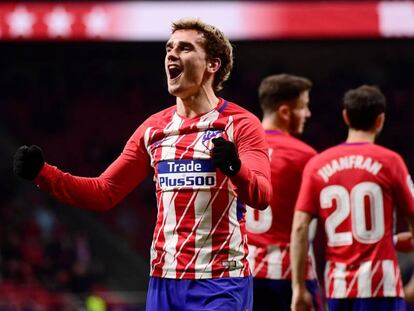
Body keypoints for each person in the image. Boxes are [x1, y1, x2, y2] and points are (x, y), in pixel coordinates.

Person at [13, 18, 272, 311]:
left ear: (213, 64)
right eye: (169, 49)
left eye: (185, 48)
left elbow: (261, 196)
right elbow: (105, 191)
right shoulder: (154, 129)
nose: (172, 55)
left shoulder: (242, 124)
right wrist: (43, 174)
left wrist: (235, 169)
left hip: (220, 281)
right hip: (163, 281)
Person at [290, 85, 414, 311]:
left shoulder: (318, 164)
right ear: (380, 120)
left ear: (345, 117)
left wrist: (298, 288)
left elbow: (299, 229)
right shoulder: (391, 161)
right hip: (382, 286)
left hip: (339, 288)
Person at [245, 74, 323, 311]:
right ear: (285, 112)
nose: (308, 114)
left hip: (242, 274)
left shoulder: (237, 151)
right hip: (288, 276)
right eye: (304, 107)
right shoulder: (305, 156)